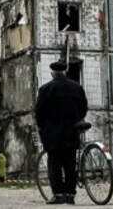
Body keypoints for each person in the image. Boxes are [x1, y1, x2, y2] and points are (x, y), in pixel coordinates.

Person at [36, 61, 89, 205]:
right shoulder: (77, 88)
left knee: (54, 163)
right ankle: (70, 195)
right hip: (72, 131)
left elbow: (39, 113)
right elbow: (84, 108)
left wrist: (43, 128)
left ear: (52, 73)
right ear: (65, 71)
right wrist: (76, 119)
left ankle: (58, 194)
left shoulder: (46, 89)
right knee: (70, 164)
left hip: (53, 133)